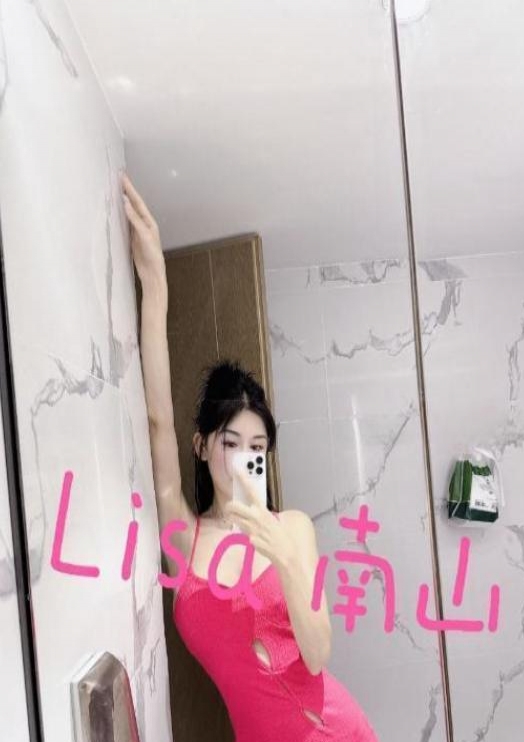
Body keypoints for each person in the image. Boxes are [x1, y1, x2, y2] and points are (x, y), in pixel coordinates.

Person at [121, 171, 380, 742]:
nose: (243, 456)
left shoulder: (293, 529)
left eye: (257, 446)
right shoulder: (183, 536)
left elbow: (318, 654)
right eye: (230, 442)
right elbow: (158, 422)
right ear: (202, 446)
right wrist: (154, 284)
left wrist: (283, 557)